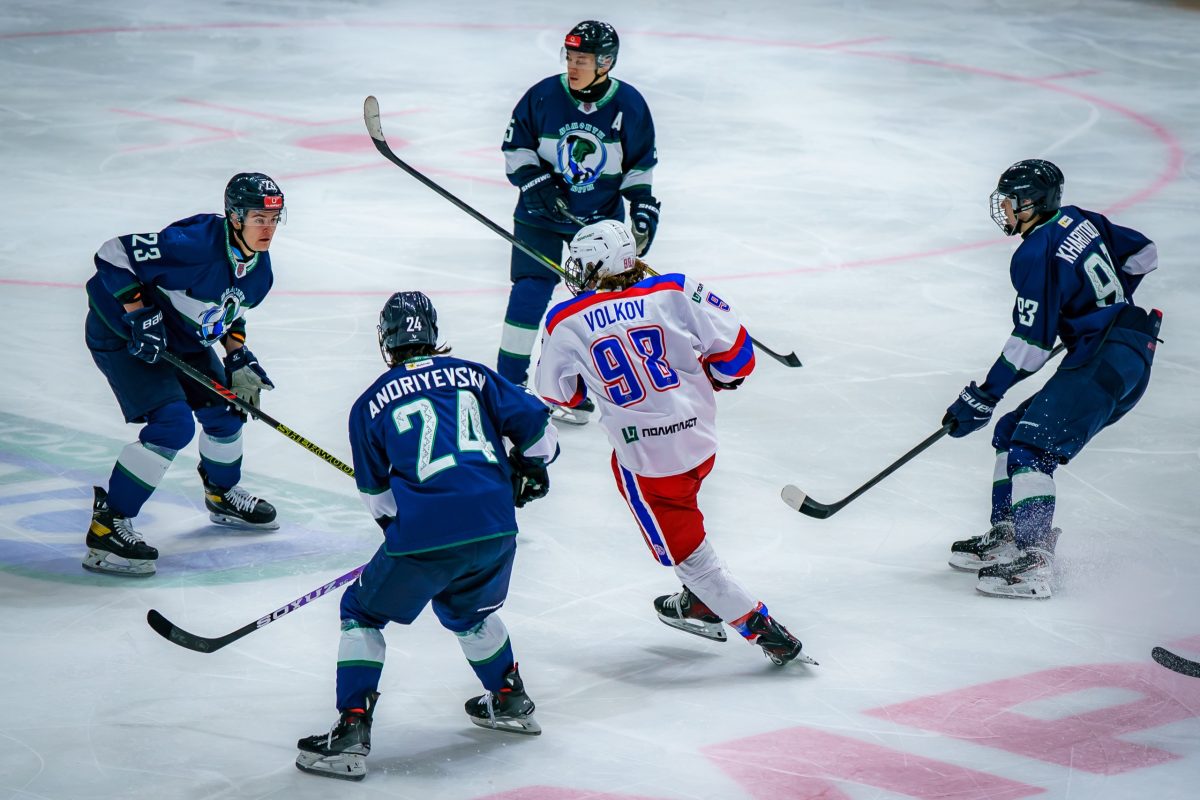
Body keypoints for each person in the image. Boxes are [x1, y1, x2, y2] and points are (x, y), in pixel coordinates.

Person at [296, 291, 559, 781]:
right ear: (433, 332)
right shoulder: (475, 375)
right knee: (469, 612)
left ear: (386, 340)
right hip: (497, 527)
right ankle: (509, 697)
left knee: (361, 611)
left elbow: (379, 501)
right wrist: (529, 468)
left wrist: (412, 533)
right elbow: (540, 432)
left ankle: (351, 729)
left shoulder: (369, 403)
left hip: (425, 536)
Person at [534, 220, 816, 666]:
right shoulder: (677, 289)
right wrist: (711, 378)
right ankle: (699, 600)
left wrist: (592, 371)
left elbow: (559, 395)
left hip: (648, 464)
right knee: (685, 504)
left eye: (581, 263)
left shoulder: (564, 319)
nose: (576, 272)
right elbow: (737, 360)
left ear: (598, 264)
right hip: (700, 443)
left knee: (692, 559)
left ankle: (756, 626)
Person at [942, 159, 1161, 599]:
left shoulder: (1035, 253)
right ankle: (1007, 535)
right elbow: (1144, 254)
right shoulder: (1078, 218)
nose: (1003, 209)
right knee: (1011, 433)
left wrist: (985, 395)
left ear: (1030, 204)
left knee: (1032, 446)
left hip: (1103, 357)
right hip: (1126, 349)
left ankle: (1035, 560)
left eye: (1010, 201)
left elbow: (1032, 345)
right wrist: (1098, 307)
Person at [83, 173, 286, 577]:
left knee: (227, 413)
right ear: (234, 217)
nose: (267, 229)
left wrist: (237, 355)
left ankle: (221, 493)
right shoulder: (193, 244)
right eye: (258, 219)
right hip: (122, 335)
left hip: (180, 337)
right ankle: (108, 526)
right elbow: (112, 254)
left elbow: (229, 313)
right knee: (173, 425)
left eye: (273, 220)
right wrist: (138, 314)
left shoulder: (259, 272)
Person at [498, 20, 661, 425]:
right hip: (539, 216)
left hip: (599, 222)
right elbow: (515, 147)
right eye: (570, 57)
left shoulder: (630, 106)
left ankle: (579, 388)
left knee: (599, 305)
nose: (572, 66)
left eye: (582, 60)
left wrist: (642, 205)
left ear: (605, 63)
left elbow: (639, 166)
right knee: (531, 290)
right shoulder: (542, 96)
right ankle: (508, 387)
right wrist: (533, 180)